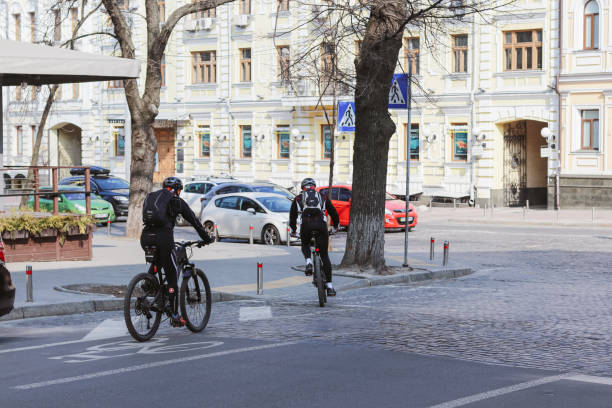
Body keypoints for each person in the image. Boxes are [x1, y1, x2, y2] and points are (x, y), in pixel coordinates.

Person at [140, 177, 213, 326]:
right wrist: (206, 238)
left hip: (146, 237)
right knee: (172, 277)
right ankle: (174, 315)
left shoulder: (153, 197)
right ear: (178, 190)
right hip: (163, 238)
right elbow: (194, 221)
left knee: (159, 261)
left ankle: (148, 284)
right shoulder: (177, 201)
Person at [289, 178, 340, 296]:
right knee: (324, 255)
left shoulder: (298, 198)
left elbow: (292, 216)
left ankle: (308, 262)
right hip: (321, 226)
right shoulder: (323, 197)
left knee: (305, 244)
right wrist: (336, 226)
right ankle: (330, 286)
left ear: (303, 188)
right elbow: (333, 212)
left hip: (306, 225)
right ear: (314, 187)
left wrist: (293, 231)